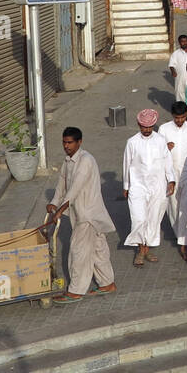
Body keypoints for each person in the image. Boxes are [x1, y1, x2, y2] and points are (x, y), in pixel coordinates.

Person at [48, 127, 116, 304]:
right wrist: (54, 203)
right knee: (98, 249)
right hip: (79, 213)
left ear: (79, 142)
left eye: (70, 142)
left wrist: (60, 210)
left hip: (88, 215)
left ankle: (76, 290)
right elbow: (62, 185)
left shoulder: (86, 160)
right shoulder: (68, 161)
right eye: (64, 142)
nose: (66, 146)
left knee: (78, 251)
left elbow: (75, 188)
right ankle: (107, 283)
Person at [122, 108, 176, 268]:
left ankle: (145, 250)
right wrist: (126, 185)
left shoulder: (160, 140)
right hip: (137, 186)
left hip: (158, 185)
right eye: (143, 127)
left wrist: (171, 180)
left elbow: (168, 161)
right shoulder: (132, 142)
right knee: (139, 218)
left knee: (154, 219)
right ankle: (140, 248)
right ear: (139, 125)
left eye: (149, 127)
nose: (146, 130)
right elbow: (126, 164)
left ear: (153, 126)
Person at [161, 102, 187, 260]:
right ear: (172, 116)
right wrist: (166, 148)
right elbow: (159, 150)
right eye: (177, 118)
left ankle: (184, 243)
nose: (180, 120)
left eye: (183, 117)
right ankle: (179, 234)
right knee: (172, 206)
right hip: (170, 174)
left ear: (186, 115)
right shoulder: (164, 129)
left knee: (185, 207)